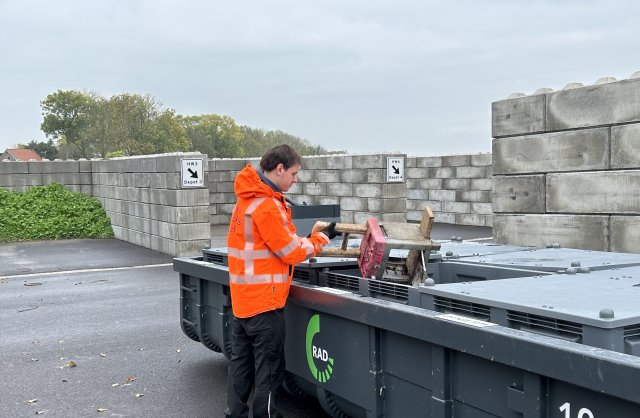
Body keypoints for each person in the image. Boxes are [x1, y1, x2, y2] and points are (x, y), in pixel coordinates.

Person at [225, 144, 340, 418]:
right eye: (294, 173)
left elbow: (274, 243)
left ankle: (234, 414)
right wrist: (322, 239)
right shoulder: (266, 204)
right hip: (265, 304)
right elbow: (291, 252)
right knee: (269, 371)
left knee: (241, 367)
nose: (295, 179)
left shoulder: (246, 200)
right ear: (279, 169)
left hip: (242, 301)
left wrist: (306, 238)